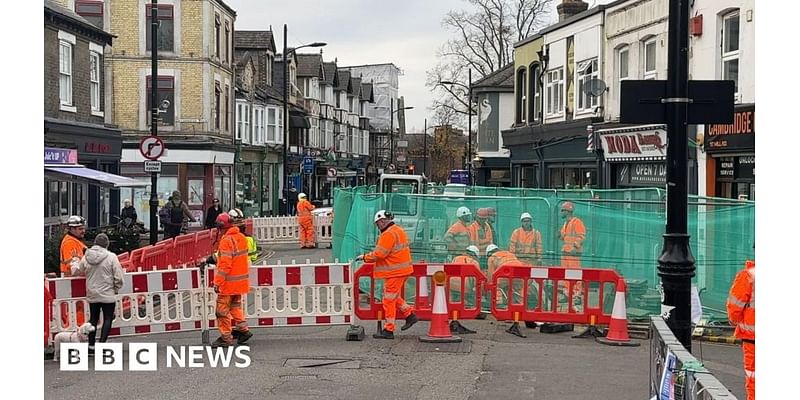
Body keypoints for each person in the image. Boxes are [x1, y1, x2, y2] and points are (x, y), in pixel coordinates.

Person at [356, 210, 418, 339]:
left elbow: (379, 254)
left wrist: (364, 257)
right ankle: (410, 315)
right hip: (401, 270)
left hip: (395, 272)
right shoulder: (398, 230)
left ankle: (389, 330)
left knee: (388, 300)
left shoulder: (388, 235)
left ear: (382, 221)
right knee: (392, 296)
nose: (378, 227)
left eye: (378, 224)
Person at [71, 233, 124, 356]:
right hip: (107, 293)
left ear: (95, 243)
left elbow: (77, 271)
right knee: (107, 318)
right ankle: (102, 344)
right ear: (107, 244)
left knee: (93, 320)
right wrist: (116, 288)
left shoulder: (86, 257)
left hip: (92, 293)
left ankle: (91, 346)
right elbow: (118, 277)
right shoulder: (111, 257)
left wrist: (74, 263)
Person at [211, 209, 254, 348]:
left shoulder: (226, 241)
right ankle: (243, 330)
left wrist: (217, 282)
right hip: (240, 283)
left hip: (228, 284)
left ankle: (226, 338)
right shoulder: (241, 238)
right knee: (235, 307)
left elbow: (225, 265)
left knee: (221, 311)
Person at [727, 259, 755, 400]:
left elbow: (735, 307)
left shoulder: (748, 276)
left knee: (754, 378)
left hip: (753, 339)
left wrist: (734, 320)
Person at [559, 202, 586, 268]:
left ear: (568, 211)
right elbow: (564, 237)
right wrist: (559, 235)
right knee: (565, 273)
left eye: (563, 210)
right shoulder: (566, 223)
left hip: (573, 253)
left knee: (573, 272)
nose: (561, 212)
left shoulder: (577, 222)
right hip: (566, 252)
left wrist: (575, 248)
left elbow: (581, 236)